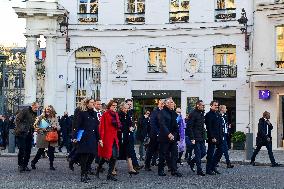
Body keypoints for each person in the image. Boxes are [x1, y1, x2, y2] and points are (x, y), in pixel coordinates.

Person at [72, 98, 100, 183]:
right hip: (84, 137)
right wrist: (74, 136)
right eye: (91, 102)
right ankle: (83, 175)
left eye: (93, 102)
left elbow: (96, 127)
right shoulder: (82, 113)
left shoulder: (94, 113)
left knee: (91, 156)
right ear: (87, 103)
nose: (93, 104)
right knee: (84, 158)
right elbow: (76, 125)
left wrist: (99, 138)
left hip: (92, 138)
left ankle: (86, 172)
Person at [158, 98, 182, 177]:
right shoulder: (162, 112)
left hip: (173, 137)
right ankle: (160, 170)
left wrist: (174, 135)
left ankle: (174, 170)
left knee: (175, 154)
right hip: (164, 137)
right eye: (171, 102)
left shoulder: (173, 113)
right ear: (166, 104)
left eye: (173, 102)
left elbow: (175, 126)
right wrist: (168, 134)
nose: (173, 103)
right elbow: (162, 124)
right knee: (163, 154)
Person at [31, 105, 60, 171]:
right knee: (40, 151)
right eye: (47, 110)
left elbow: (59, 127)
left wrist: (56, 127)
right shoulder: (40, 117)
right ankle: (33, 162)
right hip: (43, 136)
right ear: (45, 110)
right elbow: (35, 126)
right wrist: (41, 129)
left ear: (52, 111)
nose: (48, 111)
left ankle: (51, 165)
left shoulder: (55, 117)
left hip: (52, 136)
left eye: (49, 110)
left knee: (51, 151)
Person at [97, 100, 120, 181]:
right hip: (107, 138)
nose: (114, 107)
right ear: (109, 106)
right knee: (104, 157)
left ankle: (109, 175)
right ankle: (98, 168)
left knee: (114, 157)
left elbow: (118, 126)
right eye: (113, 105)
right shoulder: (105, 114)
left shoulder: (116, 115)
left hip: (114, 139)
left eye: (116, 106)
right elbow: (101, 128)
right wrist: (101, 139)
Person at [14, 102, 39, 172]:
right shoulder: (25, 110)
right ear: (32, 106)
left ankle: (25, 165)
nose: (36, 109)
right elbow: (17, 119)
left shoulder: (35, 114)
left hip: (29, 134)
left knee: (28, 150)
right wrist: (21, 129)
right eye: (35, 107)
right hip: (21, 133)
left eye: (37, 108)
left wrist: (35, 128)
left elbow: (33, 124)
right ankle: (20, 165)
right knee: (22, 149)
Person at [118, 102, 139, 176]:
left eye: (127, 108)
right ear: (121, 108)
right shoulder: (119, 115)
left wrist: (131, 127)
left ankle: (131, 168)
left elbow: (130, 123)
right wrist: (128, 127)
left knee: (128, 152)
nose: (126, 110)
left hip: (127, 136)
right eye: (125, 108)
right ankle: (112, 169)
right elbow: (120, 125)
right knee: (116, 154)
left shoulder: (128, 114)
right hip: (121, 136)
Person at [186, 100, 206, 176]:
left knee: (203, 152)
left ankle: (192, 162)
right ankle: (199, 170)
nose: (204, 107)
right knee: (198, 154)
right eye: (202, 106)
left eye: (204, 106)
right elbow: (189, 127)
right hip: (195, 137)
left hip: (201, 137)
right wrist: (192, 138)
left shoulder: (201, 113)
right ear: (198, 105)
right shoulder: (193, 114)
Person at [144, 99, 165, 171]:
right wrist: (158, 133)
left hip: (164, 135)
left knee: (163, 150)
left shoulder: (166, 112)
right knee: (151, 150)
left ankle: (162, 164)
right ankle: (147, 165)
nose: (162, 105)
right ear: (158, 104)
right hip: (154, 135)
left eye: (163, 104)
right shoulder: (154, 112)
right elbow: (152, 124)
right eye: (161, 103)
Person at [205, 100, 223, 175]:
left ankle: (213, 166)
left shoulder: (218, 114)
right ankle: (208, 169)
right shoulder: (208, 115)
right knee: (210, 153)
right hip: (212, 137)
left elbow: (219, 126)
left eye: (217, 105)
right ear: (211, 105)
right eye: (215, 105)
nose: (216, 106)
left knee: (220, 151)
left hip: (219, 136)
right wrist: (212, 137)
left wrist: (221, 136)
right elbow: (209, 127)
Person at [125, 99, 143, 171]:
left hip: (131, 133)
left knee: (131, 149)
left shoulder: (132, 112)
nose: (129, 106)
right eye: (128, 104)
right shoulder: (124, 112)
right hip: (125, 134)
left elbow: (134, 121)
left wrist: (134, 125)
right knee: (127, 150)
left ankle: (135, 165)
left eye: (130, 104)